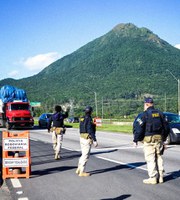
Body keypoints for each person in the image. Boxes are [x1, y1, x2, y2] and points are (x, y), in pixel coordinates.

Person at [133, 97, 169, 184]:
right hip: (159, 139)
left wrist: (136, 140)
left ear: (146, 104)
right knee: (159, 156)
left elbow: (139, 129)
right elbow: (166, 127)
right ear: (152, 104)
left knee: (150, 158)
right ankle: (161, 176)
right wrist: (164, 139)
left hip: (149, 140)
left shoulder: (144, 115)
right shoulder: (160, 113)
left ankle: (152, 177)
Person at [76, 106, 98, 177]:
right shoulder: (89, 119)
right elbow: (90, 130)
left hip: (82, 137)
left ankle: (79, 168)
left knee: (83, 154)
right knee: (85, 155)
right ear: (90, 112)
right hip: (87, 138)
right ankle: (81, 172)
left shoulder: (82, 118)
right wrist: (94, 140)